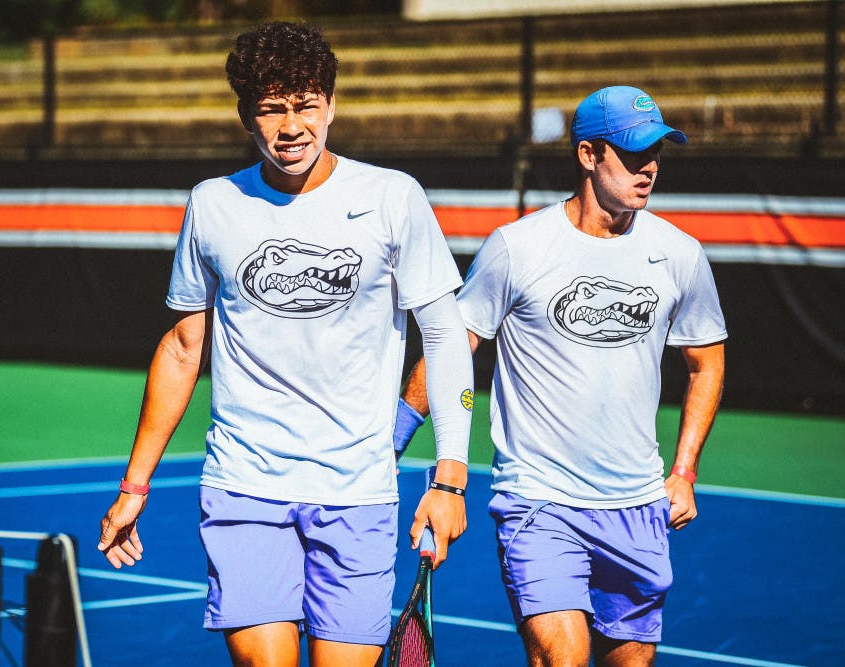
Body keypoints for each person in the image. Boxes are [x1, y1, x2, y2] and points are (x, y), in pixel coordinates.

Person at [97, 22, 474, 667]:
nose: (292, 126)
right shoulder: (213, 204)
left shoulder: (393, 197)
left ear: (331, 106)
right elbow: (185, 347)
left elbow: (443, 336)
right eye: (273, 108)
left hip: (358, 492)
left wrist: (451, 477)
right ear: (246, 115)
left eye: (306, 105)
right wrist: (135, 485)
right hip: (244, 484)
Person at [394, 85, 727, 666]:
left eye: (656, 152)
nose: (649, 166)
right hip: (538, 500)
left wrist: (684, 471)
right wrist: (391, 440)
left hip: (637, 506)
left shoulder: (680, 254)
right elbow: (454, 348)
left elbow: (707, 362)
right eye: (634, 152)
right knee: (560, 657)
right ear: (588, 155)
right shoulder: (517, 248)